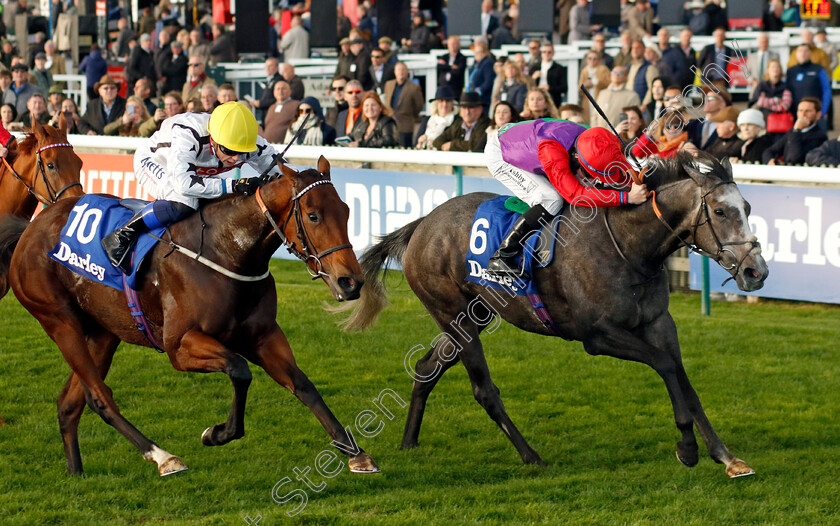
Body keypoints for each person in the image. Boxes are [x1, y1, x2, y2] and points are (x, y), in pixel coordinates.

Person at [101, 101, 284, 272]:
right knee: (185, 202)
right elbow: (184, 184)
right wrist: (236, 184)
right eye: (229, 150)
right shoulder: (189, 133)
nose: (236, 158)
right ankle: (122, 235)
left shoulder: (248, 141)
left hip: (190, 172)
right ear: (213, 139)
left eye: (242, 152)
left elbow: (282, 170)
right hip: (154, 161)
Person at [484, 121, 649, 278]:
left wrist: (639, 183)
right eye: (590, 175)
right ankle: (502, 256)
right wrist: (626, 197)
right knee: (552, 199)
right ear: (576, 157)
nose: (592, 180)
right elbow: (575, 194)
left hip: (526, 136)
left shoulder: (596, 140)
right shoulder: (551, 151)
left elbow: (620, 172)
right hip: (502, 153)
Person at [763, 97, 827, 165]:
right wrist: (770, 160)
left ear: (818, 115)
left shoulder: (819, 136)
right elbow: (769, 151)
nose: (803, 114)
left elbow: (794, 158)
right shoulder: (792, 131)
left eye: (808, 111)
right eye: (800, 110)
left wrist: (796, 131)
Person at [786, 44, 831, 124]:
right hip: (795, 115)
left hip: (815, 115)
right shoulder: (791, 71)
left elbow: (827, 90)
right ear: (796, 54)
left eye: (806, 51)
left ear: (810, 54)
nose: (803, 53)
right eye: (800, 51)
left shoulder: (819, 69)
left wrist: (822, 111)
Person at [383, 62, 424, 147]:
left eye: (403, 70)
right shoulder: (388, 85)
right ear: (395, 72)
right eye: (398, 70)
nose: (401, 72)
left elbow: (419, 106)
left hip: (406, 125)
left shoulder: (414, 87)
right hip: (390, 124)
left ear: (407, 72)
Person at [592, 66, 639, 130]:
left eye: (620, 73)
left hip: (619, 136)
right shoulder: (602, 93)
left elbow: (633, 119)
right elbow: (595, 115)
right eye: (614, 72)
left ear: (626, 77)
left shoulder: (632, 96)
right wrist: (595, 130)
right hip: (600, 134)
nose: (616, 75)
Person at [579, 49, 610, 124]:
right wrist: (585, 86)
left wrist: (596, 83)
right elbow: (580, 88)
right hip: (588, 100)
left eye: (594, 59)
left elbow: (608, 84)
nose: (592, 60)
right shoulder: (585, 71)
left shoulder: (604, 69)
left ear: (599, 60)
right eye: (590, 58)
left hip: (600, 98)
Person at [532, 42, 566, 108]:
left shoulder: (559, 68)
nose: (546, 54)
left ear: (553, 53)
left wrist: (550, 88)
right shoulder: (535, 67)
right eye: (544, 52)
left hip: (553, 101)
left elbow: (564, 87)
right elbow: (528, 86)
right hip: (537, 101)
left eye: (549, 52)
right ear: (541, 53)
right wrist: (533, 78)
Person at [467, 38, 495, 107]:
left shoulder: (488, 63)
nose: (475, 55)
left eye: (477, 53)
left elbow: (489, 80)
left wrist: (479, 90)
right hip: (474, 96)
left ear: (484, 53)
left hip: (482, 98)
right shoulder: (477, 63)